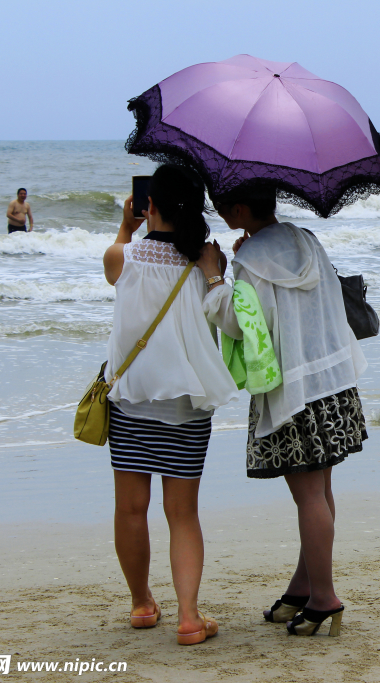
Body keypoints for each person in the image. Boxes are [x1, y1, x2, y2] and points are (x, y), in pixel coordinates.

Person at [202, 186, 368, 638]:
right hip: (332, 379)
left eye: (220, 203)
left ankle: (324, 598)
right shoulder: (306, 239)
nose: (216, 209)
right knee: (321, 489)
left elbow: (239, 323)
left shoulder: (250, 260)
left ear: (239, 209)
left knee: (309, 496)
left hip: (294, 390)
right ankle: (303, 587)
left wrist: (216, 276)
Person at [102, 164, 238, 646]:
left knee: (131, 509)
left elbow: (115, 262)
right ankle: (188, 617)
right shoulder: (203, 262)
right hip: (186, 407)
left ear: (149, 204)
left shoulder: (123, 256)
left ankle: (141, 604)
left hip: (131, 402)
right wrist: (216, 273)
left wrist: (126, 225)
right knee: (182, 514)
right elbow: (233, 325)